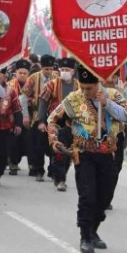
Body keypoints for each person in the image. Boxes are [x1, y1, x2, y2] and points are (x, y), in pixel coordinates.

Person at [47, 66, 127, 253]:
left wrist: (106, 103)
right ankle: (85, 235)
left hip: (109, 154)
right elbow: (53, 119)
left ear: (98, 84)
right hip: (83, 154)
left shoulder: (114, 95)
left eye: (89, 88)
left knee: (105, 197)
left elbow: (126, 116)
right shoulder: (74, 99)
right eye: (82, 87)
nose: (85, 92)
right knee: (87, 196)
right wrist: (53, 138)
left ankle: (93, 230)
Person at [38, 57, 79, 191]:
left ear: (73, 71)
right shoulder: (51, 85)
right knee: (58, 150)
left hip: (73, 124)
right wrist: (41, 121)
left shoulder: (79, 86)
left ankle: (60, 174)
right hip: (55, 123)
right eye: (62, 70)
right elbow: (43, 103)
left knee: (69, 153)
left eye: (67, 70)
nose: (64, 72)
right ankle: (60, 179)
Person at [22, 54, 57, 181]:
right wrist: (25, 115)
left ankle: (53, 170)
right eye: (46, 69)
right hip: (36, 117)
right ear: (41, 67)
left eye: (50, 68)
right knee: (38, 145)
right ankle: (38, 170)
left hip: (54, 117)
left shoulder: (57, 78)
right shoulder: (33, 78)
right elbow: (24, 97)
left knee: (54, 144)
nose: (48, 71)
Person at [7, 59, 32, 175]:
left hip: (29, 116)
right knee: (14, 141)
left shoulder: (32, 84)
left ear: (28, 74)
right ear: (15, 73)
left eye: (24, 73)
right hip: (14, 116)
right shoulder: (9, 85)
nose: (22, 75)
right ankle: (13, 163)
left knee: (29, 141)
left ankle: (32, 164)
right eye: (20, 73)